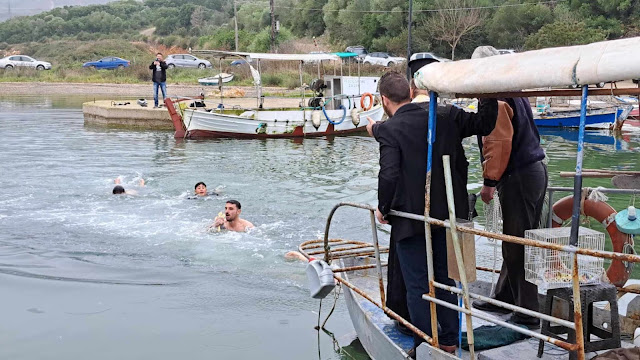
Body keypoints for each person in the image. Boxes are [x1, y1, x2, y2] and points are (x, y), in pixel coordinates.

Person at [366, 71, 498, 356]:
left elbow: (388, 175)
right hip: (447, 215)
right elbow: (486, 122)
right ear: (412, 93)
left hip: (411, 220)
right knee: (445, 280)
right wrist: (487, 88)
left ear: (384, 100)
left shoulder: (391, 129)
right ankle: (448, 341)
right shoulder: (446, 116)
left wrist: (383, 208)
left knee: (418, 286)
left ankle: (427, 343)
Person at [469, 46, 548, 329]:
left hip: (520, 175)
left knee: (517, 244)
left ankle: (527, 312)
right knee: (513, 239)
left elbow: (498, 144)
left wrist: (489, 183)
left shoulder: (497, 97)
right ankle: (504, 295)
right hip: (530, 170)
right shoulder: (513, 89)